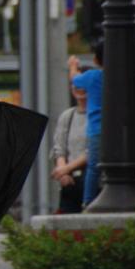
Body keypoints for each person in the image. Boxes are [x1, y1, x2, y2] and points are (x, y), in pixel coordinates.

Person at [68, 43, 104, 206]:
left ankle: (88, 202)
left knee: (93, 168)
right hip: (120, 130)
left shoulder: (93, 76)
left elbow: (75, 79)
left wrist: (73, 65)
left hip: (96, 129)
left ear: (96, 60)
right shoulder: (122, 75)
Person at [50, 84, 88, 214]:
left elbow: (95, 150)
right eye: (76, 86)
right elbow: (59, 147)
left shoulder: (99, 116)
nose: (80, 90)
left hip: (92, 179)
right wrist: (64, 173)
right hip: (70, 182)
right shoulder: (68, 115)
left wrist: (65, 169)